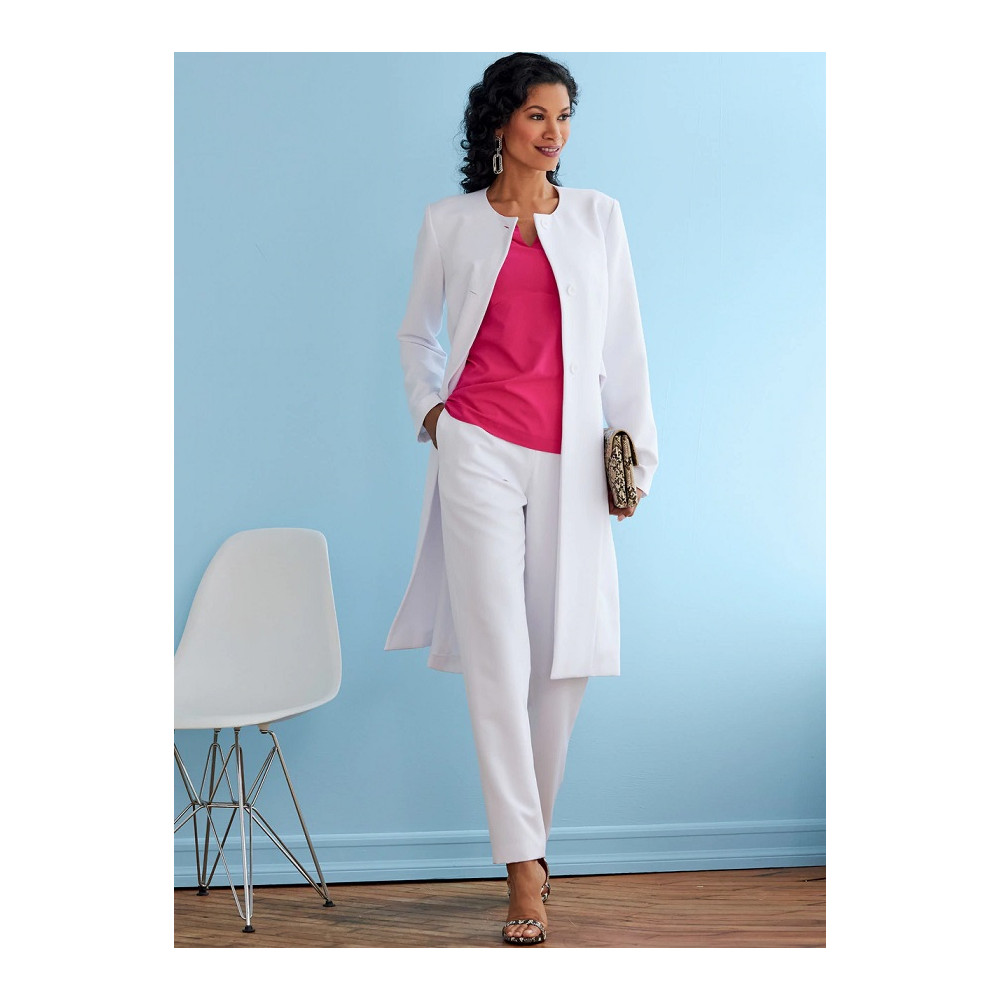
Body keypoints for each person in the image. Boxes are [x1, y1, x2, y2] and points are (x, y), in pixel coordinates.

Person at [385, 52, 658, 945]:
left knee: (562, 659)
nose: (555, 133)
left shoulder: (598, 217)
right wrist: (435, 415)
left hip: (574, 459)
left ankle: (531, 840)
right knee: (499, 653)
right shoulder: (450, 222)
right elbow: (416, 333)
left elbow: (625, 346)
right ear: (500, 120)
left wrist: (635, 461)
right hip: (480, 452)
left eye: (565, 116)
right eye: (538, 115)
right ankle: (522, 872)